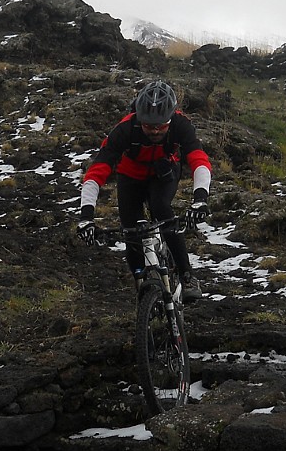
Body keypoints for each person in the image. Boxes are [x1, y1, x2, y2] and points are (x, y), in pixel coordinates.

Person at [76, 80, 211, 301]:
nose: (155, 131)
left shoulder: (181, 125)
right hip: (130, 178)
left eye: (161, 126)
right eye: (148, 126)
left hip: (163, 176)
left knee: (162, 211)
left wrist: (200, 199)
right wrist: (86, 217)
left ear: (170, 118)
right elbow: (96, 172)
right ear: (139, 117)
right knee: (131, 232)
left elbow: (199, 161)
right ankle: (141, 287)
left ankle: (187, 276)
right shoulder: (125, 129)